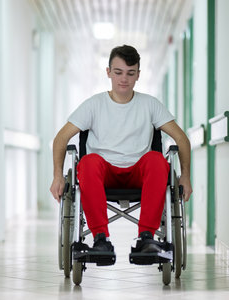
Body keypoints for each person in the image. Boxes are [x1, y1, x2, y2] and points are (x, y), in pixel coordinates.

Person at [50, 45, 192, 257]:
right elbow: (61, 137)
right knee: (87, 162)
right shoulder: (94, 105)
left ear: (138, 75)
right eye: (118, 72)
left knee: (157, 160)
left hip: (139, 173)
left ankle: (146, 238)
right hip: (103, 174)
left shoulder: (150, 104)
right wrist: (57, 176)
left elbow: (181, 138)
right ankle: (100, 240)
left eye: (130, 73)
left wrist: (186, 177)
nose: (123, 79)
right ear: (108, 72)